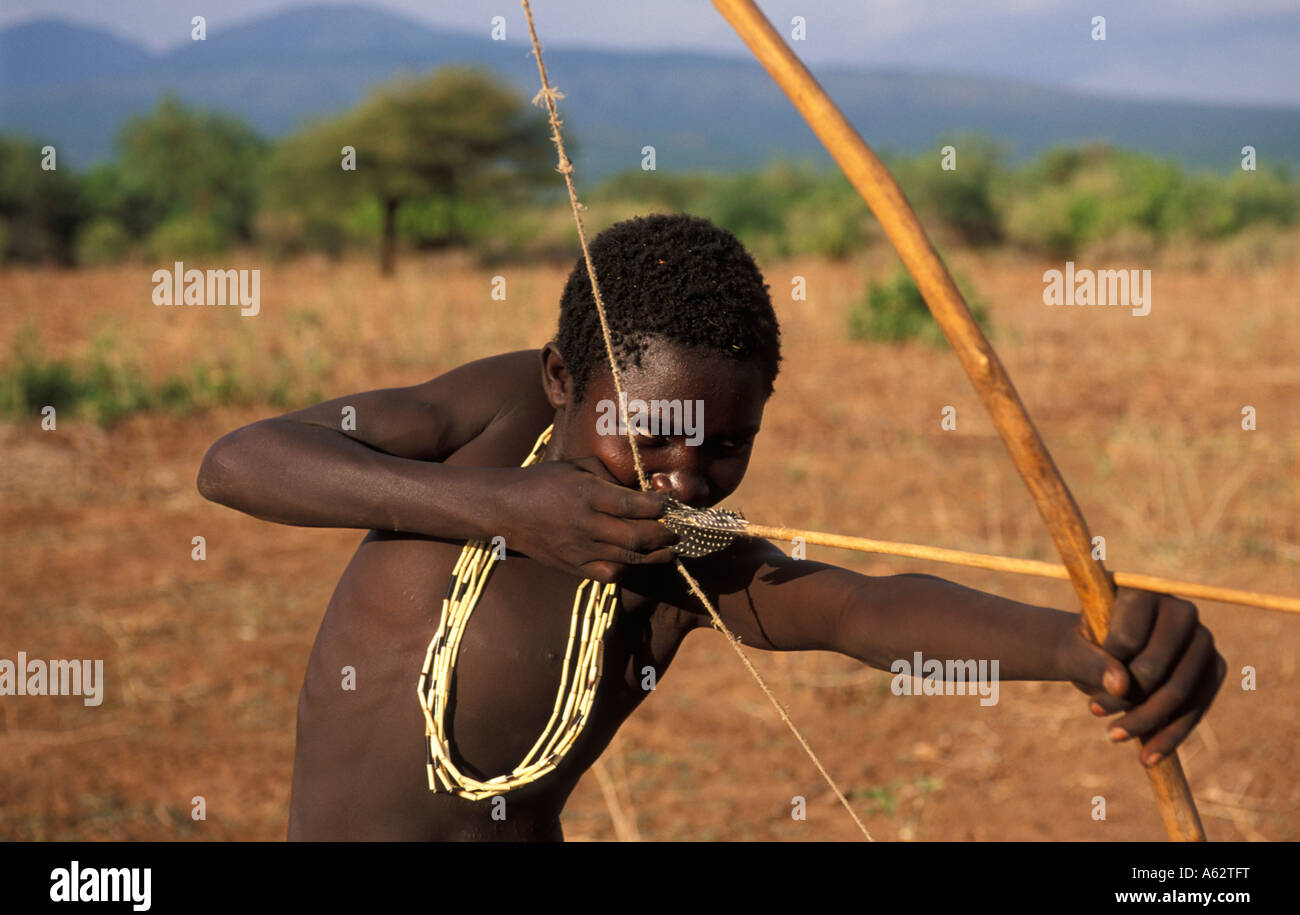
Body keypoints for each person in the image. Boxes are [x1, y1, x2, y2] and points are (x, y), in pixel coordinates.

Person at [196, 212, 1225, 840]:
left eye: (724, 446)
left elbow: (856, 609)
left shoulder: (680, 553)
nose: (684, 474)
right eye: (654, 435)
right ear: (564, 380)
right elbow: (239, 461)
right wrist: (502, 508)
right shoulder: (500, 418)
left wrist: (1077, 644)